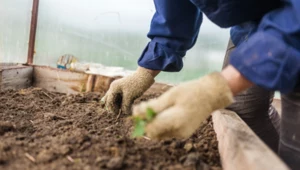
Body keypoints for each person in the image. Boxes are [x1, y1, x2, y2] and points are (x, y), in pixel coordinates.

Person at [101, 0, 300, 169]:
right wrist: (144, 73)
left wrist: (215, 89)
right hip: (252, 24)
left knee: (295, 148)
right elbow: (174, 8)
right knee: (242, 108)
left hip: (293, 20)